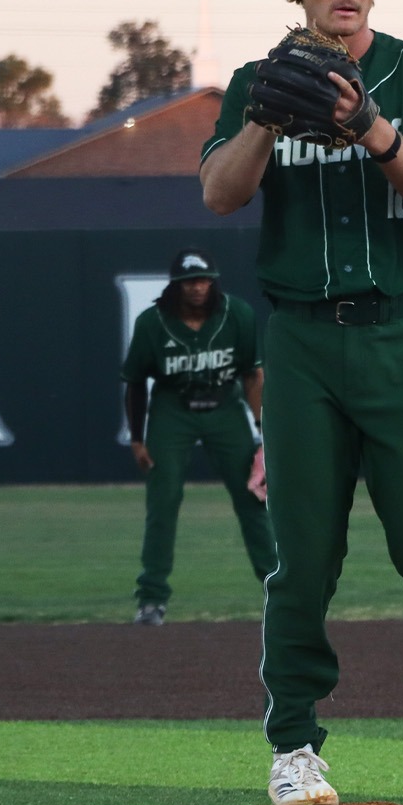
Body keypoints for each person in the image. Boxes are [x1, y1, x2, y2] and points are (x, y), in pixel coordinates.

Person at [198, 0, 403, 805]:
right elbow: (218, 193)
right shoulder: (257, 79)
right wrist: (259, 115)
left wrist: (373, 127)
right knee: (303, 557)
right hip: (305, 344)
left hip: (402, 334)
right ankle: (293, 744)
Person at [120, 248, 276, 626]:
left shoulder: (235, 314)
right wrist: (138, 439)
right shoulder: (152, 323)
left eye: (205, 279)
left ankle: (278, 588)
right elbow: (136, 383)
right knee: (164, 500)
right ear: (175, 285)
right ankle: (152, 598)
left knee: (253, 496)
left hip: (225, 407)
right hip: (173, 410)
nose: (198, 288)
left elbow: (252, 375)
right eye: (189, 281)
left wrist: (264, 433)